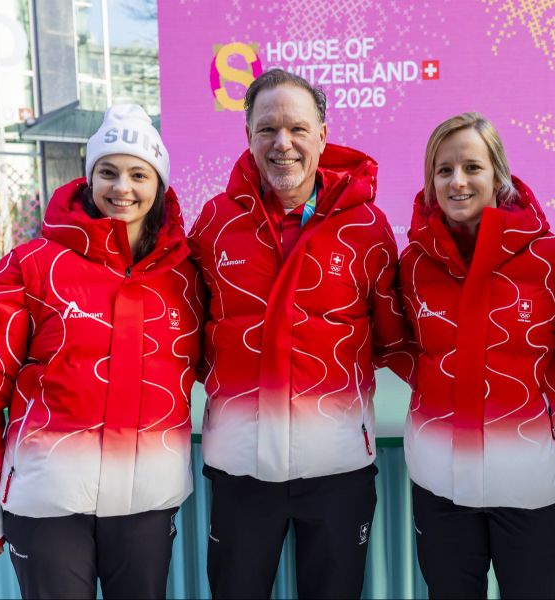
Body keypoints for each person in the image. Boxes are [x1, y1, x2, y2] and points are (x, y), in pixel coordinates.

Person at [0, 104, 203, 599]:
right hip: (47, 502)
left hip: (145, 501)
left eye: (137, 174)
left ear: (159, 186)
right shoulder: (29, 266)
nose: (121, 187)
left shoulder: (184, 276)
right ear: (88, 178)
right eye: (107, 171)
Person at [188, 69, 411, 599]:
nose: (282, 143)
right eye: (267, 129)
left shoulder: (367, 227)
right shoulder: (215, 221)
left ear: (323, 137)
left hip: (337, 467)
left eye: (297, 129)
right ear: (247, 137)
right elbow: (191, 331)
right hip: (241, 468)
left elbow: (387, 337)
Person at [398, 112, 555, 599]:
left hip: (533, 486)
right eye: (443, 170)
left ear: (499, 176)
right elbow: (402, 348)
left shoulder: (553, 257)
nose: (457, 181)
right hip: (441, 487)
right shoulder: (413, 264)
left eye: (472, 167)